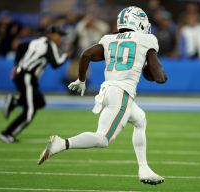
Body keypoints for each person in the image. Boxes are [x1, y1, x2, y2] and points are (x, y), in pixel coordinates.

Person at [38, 6, 167, 185]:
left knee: (140, 120)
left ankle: (144, 169)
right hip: (122, 93)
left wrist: (81, 80)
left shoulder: (108, 38)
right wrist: (158, 73)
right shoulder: (147, 39)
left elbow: (86, 54)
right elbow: (159, 77)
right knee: (102, 139)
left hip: (107, 90)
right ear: (138, 23)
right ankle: (62, 143)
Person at [0, 25, 68, 143]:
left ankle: (14, 102)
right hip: (27, 77)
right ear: (52, 34)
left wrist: (16, 65)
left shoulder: (36, 41)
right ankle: (7, 134)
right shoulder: (50, 45)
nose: (60, 38)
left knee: (40, 102)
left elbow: (20, 47)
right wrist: (66, 55)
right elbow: (56, 63)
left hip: (22, 75)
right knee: (29, 112)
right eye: (59, 35)